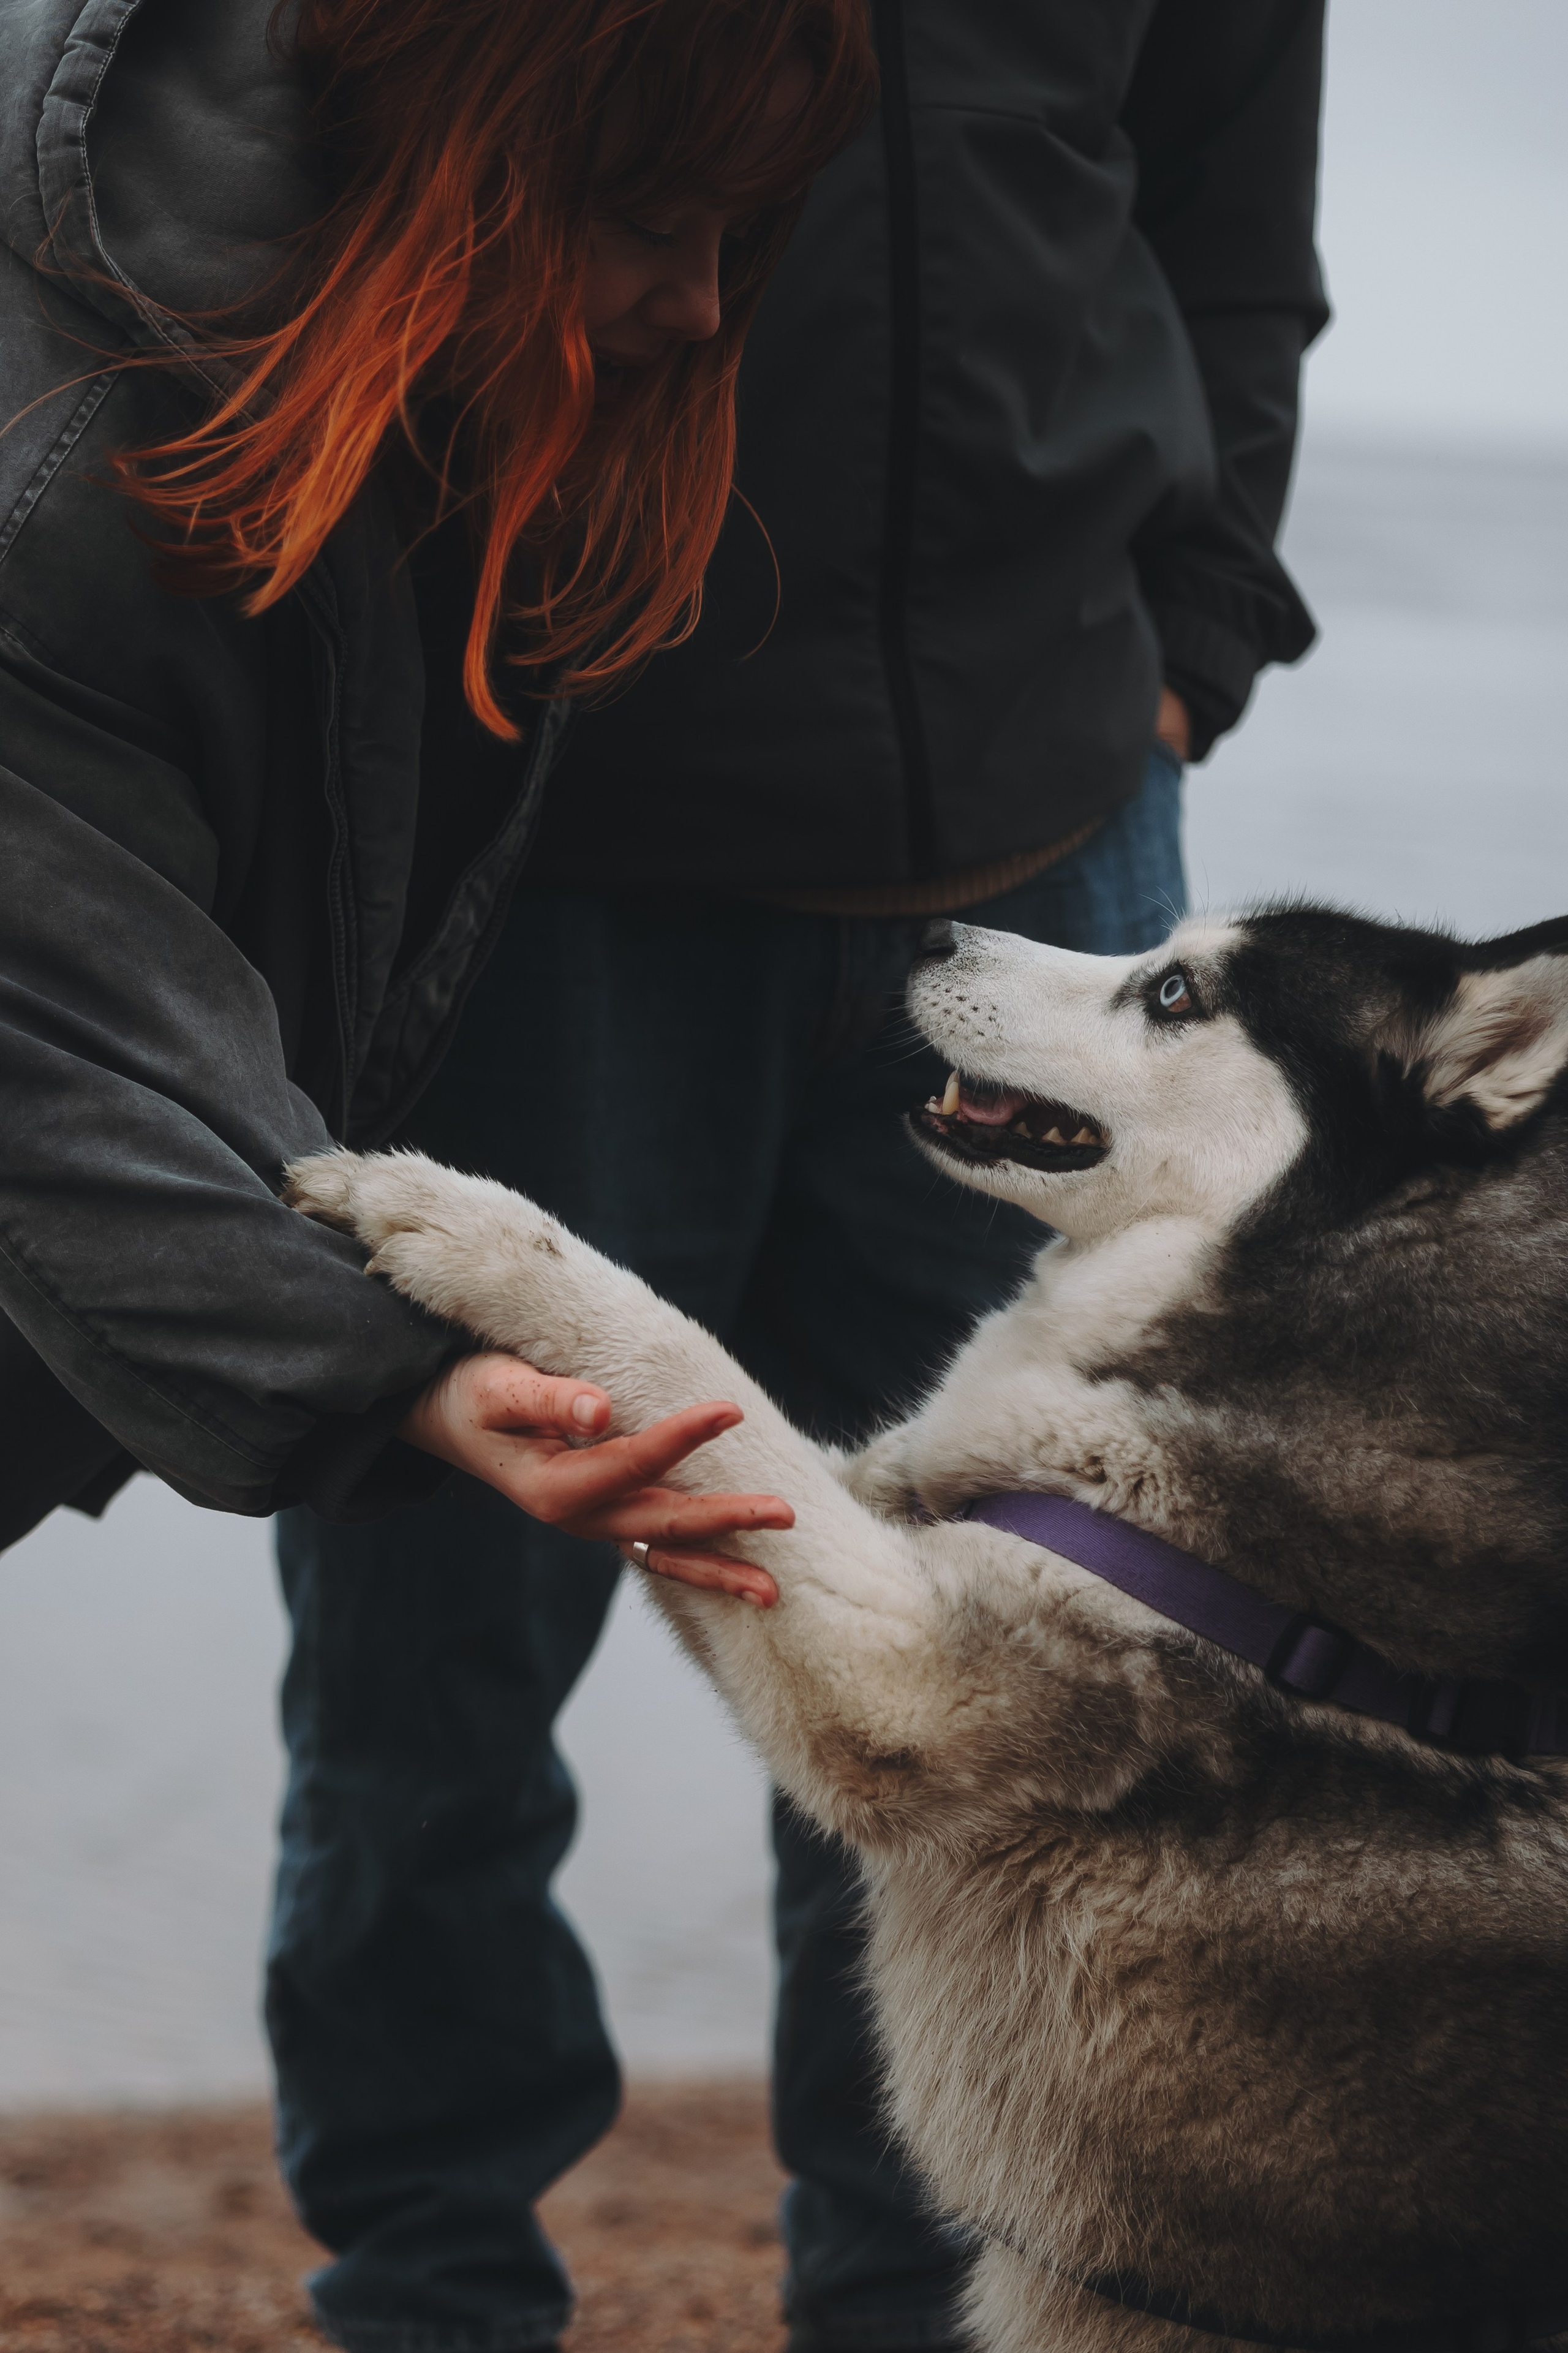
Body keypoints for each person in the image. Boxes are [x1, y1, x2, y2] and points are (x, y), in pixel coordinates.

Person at [270, 4, 1331, 2352]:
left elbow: (1233, 232)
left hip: (1047, 845)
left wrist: (1194, 643)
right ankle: (427, 2301)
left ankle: (913, 2309)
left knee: (997, 1682)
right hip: (538, 849)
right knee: (426, 1683)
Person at [0, 0, 871, 1560]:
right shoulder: (53, 475)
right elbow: (37, 1046)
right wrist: (389, 1376)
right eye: (655, 224)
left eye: (736, 236)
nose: (697, 303)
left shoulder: (360, 341)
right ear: (470, 152)